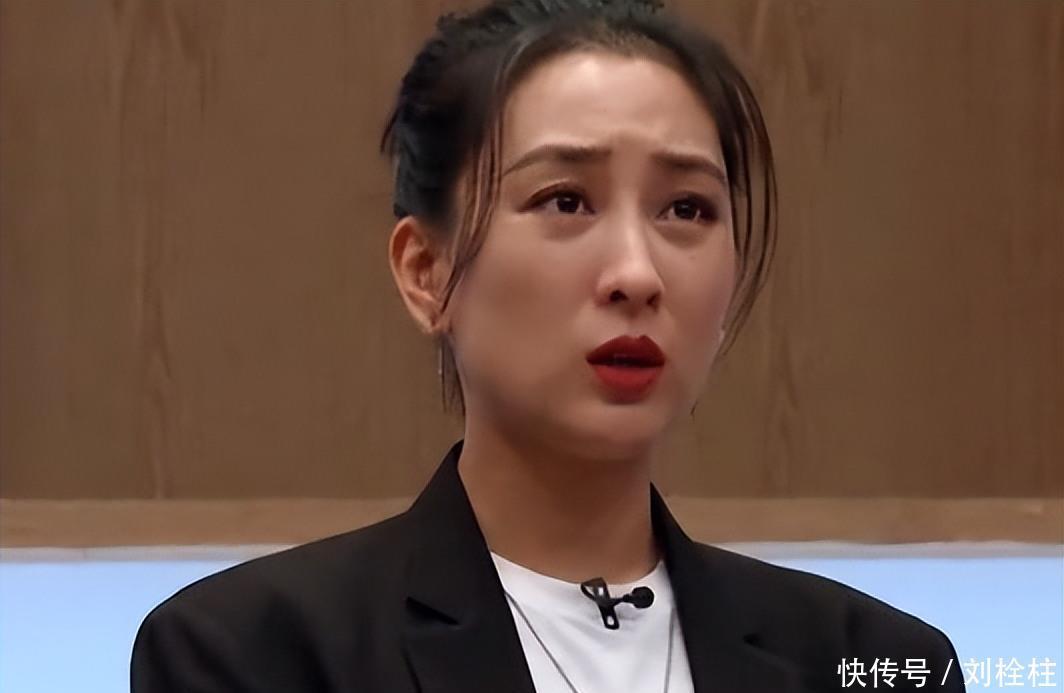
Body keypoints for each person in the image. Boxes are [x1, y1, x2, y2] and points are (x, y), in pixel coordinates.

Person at [130, 1, 965, 691]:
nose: (637, 273)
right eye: (566, 200)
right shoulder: (255, 654)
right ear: (426, 271)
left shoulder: (873, 661)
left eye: (686, 209)